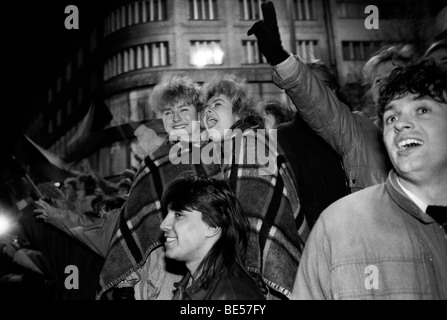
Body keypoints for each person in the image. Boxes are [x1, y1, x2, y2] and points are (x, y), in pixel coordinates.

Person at [293, 60, 447, 299]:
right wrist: (280, 57)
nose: (401, 124)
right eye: (392, 118)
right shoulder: (339, 227)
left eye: (422, 110)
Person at [247, 1, 418, 193]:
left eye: (394, 75)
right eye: (378, 81)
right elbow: (317, 100)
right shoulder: (359, 130)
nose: (386, 84)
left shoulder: (436, 122)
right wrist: (278, 56)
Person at [96, 76, 221, 300]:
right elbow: (135, 218)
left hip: (217, 259)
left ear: (199, 113)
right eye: (167, 113)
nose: (176, 118)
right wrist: (126, 281)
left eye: (184, 109)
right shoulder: (154, 161)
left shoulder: (221, 151)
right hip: (165, 270)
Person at [202, 75, 309, 299]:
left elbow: (254, 216)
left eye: (217, 104)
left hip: (261, 276)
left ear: (239, 112)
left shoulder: (248, 143)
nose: (208, 111)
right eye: (205, 107)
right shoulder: (225, 152)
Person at [160, 176, 265, 300]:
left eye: (178, 215)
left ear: (212, 226)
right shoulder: (193, 283)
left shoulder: (231, 296)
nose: (163, 225)